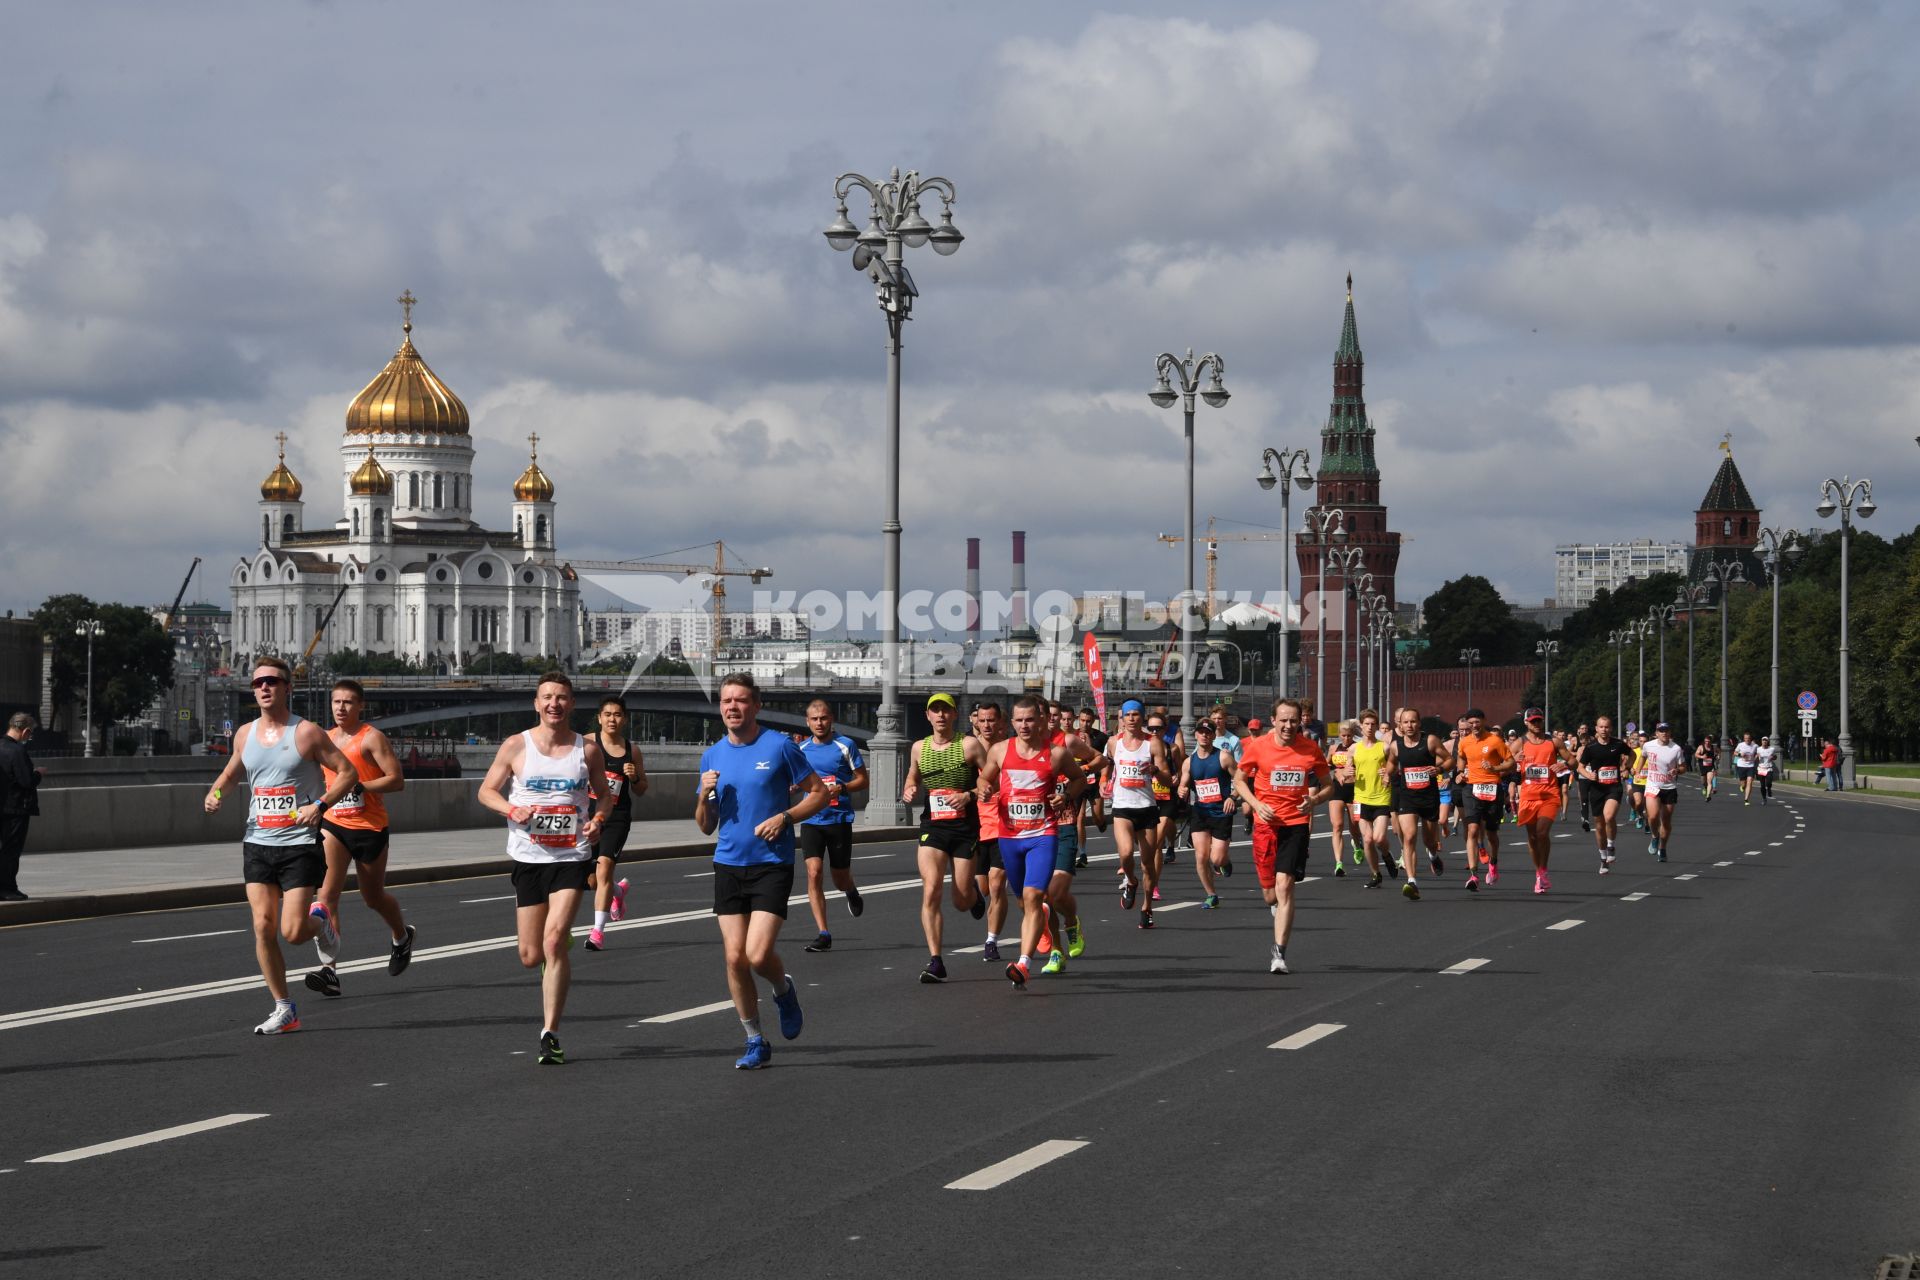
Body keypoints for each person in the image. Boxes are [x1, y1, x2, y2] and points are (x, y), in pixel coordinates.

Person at [203, 656, 360, 1036]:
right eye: (258, 682)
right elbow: (232, 770)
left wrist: (320, 805)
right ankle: (284, 1007)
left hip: (298, 844)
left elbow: (348, 773)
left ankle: (320, 921)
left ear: (288, 687)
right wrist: (216, 792)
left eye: (273, 681)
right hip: (257, 842)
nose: (264, 687)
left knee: (292, 931)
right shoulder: (244, 734)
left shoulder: (305, 733)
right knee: (262, 926)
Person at [478, 671, 617, 1066]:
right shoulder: (515, 746)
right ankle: (554, 946)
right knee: (529, 954)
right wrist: (511, 808)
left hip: (571, 856)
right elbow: (486, 791)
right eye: (547, 697)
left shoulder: (587, 750)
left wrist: (598, 821)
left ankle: (550, 1033)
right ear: (536, 704)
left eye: (561, 697)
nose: (554, 703)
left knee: (553, 942)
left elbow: (604, 797)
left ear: (571, 704)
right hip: (528, 857)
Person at [693, 672, 828, 1069]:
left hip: (771, 863)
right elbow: (705, 824)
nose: (732, 707)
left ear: (756, 705)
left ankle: (783, 990)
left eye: (740, 700)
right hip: (728, 863)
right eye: (725, 701)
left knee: (756, 953)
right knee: (734, 958)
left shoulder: (780, 746)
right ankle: (755, 1039)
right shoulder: (712, 755)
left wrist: (784, 818)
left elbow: (819, 794)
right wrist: (703, 794)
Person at [307, 679, 414, 998]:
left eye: (349, 702)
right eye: (337, 702)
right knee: (326, 898)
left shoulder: (371, 738)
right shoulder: (323, 739)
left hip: (369, 827)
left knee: (373, 897)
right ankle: (330, 971)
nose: (341, 708)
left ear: (361, 706)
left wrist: (362, 787)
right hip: (333, 825)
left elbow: (397, 781)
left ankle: (401, 935)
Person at [977, 695, 1086, 987]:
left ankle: (1024, 964)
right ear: (1011, 723)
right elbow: (984, 779)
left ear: (1040, 721)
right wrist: (984, 789)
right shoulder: (1000, 750)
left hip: (1043, 835)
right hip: (1009, 837)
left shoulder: (1057, 754)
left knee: (1034, 896)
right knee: (1022, 901)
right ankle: (1043, 926)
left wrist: (1065, 795)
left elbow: (1080, 780)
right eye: (1019, 720)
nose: (1024, 725)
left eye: (1029, 719)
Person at [1233, 699, 1334, 974]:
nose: (1289, 725)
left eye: (1294, 720)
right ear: (1273, 721)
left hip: (1296, 823)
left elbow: (1328, 786)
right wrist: (1256, 805)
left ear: (1300, 721)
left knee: (1285, 884)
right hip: (1266, 824)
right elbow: (1239, 780)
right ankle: (1275, 906)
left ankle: (1279, 954)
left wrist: (1314, 802)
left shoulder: (1310, 749)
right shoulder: (1258, 747)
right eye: (1284, 720)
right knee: (1270, 895)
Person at [903, 693, 989, 982]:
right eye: (935, 711)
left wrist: (969, 795)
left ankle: (973, 894)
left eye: (945, 711)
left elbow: (992, 781)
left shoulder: (969, 745)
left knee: (961, 900)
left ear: (955, 715)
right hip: (933, 826)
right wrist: (910, 789)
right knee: (931, 889)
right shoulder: (918, 748)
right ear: (928, 716)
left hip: (965, 828)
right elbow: (913, 777)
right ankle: (936, 961)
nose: (940, 715)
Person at [796, 699, 867, 954]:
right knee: (814, 873)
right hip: (811, 820)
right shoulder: (801, 748)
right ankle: (823, 933)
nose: (819, 723)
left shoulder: (845, 745)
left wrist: (843, 786)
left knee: (839, 878)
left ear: (831, 719)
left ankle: (850, 890)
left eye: (823, 718)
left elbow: (863, 780)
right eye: (814, 719)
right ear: (807, 721)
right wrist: (795, 787)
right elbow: (796, 780)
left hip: (838, 820)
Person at [1106, 699, 1172, 929]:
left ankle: (1147, 907)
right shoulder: (1113, 743)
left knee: (1147, 863)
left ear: (1142, 718)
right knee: (1125, 855)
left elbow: (1167, 778)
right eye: (1128, 715)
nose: (1132, 718)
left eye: (1136, 714)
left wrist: (1154, 770)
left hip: (1146, 808)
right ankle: (1131, 882)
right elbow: (1109, 765)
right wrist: (1104, 782)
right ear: (1121, 718)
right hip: (1123, 807)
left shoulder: (1153, 744)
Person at [585, 696, 645, 950]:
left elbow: (641, 789)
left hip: (617, 817)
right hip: (587, 816)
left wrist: (634, 778)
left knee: (605, 868)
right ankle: (617, 894)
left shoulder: (632, 750)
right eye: (607, 714)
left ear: (625, 719)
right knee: (591, 881)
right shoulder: (587, 743)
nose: (612, 719)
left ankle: (597, 932)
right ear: (599, 718)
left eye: (617, 714)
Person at [1385, 705, 1451, 902]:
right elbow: (1390, 762)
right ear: (1401, 725)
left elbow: (1450, 761)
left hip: (1429, 797)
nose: (1409, 725)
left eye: (1413, 721)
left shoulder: (1429, 741)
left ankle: (1432, 855)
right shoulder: (1396, 745)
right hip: (1408, 797)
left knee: (1429, 840)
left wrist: (1438, 769)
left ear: (1419, 723)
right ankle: (1412, 881)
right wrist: (1388, 773)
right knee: (1409, 836)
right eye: (1406, 722)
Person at [968, 701, 1012, 957]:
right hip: (974, 827)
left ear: (1001, 724)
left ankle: (991, 940)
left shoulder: (1009, 751)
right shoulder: (968, 749)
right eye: (982, 721)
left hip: (1002, 826)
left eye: (991, 721)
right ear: (976, 722)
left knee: (997, 885)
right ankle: (973, 892)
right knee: (983, 888)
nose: (986, 725)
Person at [1178, 718, 1237, 908]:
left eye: (1208, 732)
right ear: (1195, 734)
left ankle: (1225, 862)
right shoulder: (1189, 762)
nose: (1204, 735)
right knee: (1201, 856)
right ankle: (1211, 894)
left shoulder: (1224, 757)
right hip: (1201, 812)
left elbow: (1242, 780)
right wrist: (1182, 789)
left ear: (1213, 735)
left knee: (1216, 858)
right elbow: (1183, 784)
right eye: (1201, 732)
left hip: (1221, 812)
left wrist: (1232, 797)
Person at [1454, 708, 1514, 892]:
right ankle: (1473, 874)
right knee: (1472, 829)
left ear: (1483, 721)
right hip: (1471, 788)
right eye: (1470, 723)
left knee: (1491, 834)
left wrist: (1495, 768)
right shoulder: (1464, 742)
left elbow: (1511, 763)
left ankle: (1493, 863)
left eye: (1476, 722)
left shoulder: (1495, 741)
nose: (1473, 726)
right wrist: (1459, 774)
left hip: (1492, 788)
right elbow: (1461, 759)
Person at [1513, 710, 1569, 894]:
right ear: (1526, 723)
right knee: (1532, 837)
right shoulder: (1519, 743)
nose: (1536, 724)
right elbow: (1502, 764)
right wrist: (1514, 760)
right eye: (1533, 721)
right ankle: (1539, 873)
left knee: (1542, 832)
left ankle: (1543, 871)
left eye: (1539, 720)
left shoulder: (1553, 741)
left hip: (1549, 795)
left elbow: (1572, 760)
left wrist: (1564, 765)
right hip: (1528, 796)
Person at [1577, 715, 1632, 874]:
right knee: (1599, 826)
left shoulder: (1618, 744)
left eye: (1607, 727)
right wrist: (1588, 776)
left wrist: (1626, 767)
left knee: (1609, 816)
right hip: (1596, 789)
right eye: (1601, 727)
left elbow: (1632, 755)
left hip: (1613, 787)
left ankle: (1611, 845)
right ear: (1596, 728)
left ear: (1611, 728)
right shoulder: (1591, 747)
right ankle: (1603, 859)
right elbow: (1580, 767)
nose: (1604, 730)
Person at [1350, 710, 1396, 887]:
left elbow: (1395, 767)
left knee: (1378, 838)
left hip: (1381, 797)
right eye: (1366, 724)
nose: (1369, 727)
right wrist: (1347, 773)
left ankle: (1386, 855)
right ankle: (1376, 874)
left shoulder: (1384, 747)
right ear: (1361, 726)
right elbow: (1344, 772)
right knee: (1367, 839)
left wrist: (1388, 772)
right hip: (1360, 798)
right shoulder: (1354, 749)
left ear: (1376, 726)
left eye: (1372, 724)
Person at [0, 712, 42, 901]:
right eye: (30, 733)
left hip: (2, 806)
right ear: (24, 731)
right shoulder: (17, 751)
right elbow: (26, 781)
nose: (29, 737)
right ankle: (7, 888)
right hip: (16, 808)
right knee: (11, 850)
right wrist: (38, 774)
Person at [1641, 723, 1688, 862]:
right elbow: (1643, 757)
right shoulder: (1648, 745)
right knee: (1653, 816)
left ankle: (1662, 848)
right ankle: (1655, 836)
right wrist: (1637, 770)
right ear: (1656, 733)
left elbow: (1683, 767)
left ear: (1670, 732)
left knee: (1666, 822)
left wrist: (1677, 770)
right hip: (1652, 785)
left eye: (1666, 731)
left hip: (1669, 788)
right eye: (1661, 731)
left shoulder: (1676, 749)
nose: (1664, 734)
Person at [1324, 721, 1358, 877]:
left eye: (1349, 735)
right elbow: (1326, 766)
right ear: (1339, 735)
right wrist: (1336, 772)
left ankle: (1357, 844)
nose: (1346, 739)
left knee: (1355, 824)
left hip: (1355, 790)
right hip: (1337, 789)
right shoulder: (1333, 748)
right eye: (1343, 736)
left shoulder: (1358, 747)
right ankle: (1339, 863)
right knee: (1337, 825)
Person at [1732, 732, 1759, 806]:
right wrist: (1740, 754)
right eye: (1746, 738)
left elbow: (1758, 752)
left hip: (1751, 766)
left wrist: (1756, 756)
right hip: (1741, 765)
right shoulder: (1740, 745)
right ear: (1744, 739)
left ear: (1751, 738)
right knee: (1744, 784)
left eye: (1748, 738)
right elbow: (1734, 752)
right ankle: (1742, 786)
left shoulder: (1755, 746)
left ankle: (1746, 799)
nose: (1747, 740)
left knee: (1749, 782)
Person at [1694, 735, 1719, 801]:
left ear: (1711, 742)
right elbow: (1696, 754)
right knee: (1703, 782)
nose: (1707, 743)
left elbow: (1719, 752)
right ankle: (1705, 787)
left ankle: (1708, 796)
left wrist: (1718, 757)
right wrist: (1702, 757)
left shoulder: (1714, 747)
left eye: (1708, 741)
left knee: (1709, 781)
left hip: (1710, 766)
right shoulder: (1701, 747)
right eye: (1706, 741)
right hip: (1702, 766)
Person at [1754, 736, 1778, 805]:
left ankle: (1769, 789)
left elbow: (1775, 757)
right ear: (1761, 742)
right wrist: (1756, 757)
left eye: (1766, 741)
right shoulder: (1758, 749)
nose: (1764, 742)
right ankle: (1764, 798)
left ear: (1768, 742)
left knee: (1768, 782)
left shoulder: (1771, 749)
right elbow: (1756, 758)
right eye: (1763, 740)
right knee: (1762, 785)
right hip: (1761, 768)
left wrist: (1772, 757)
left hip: (1768, 768)